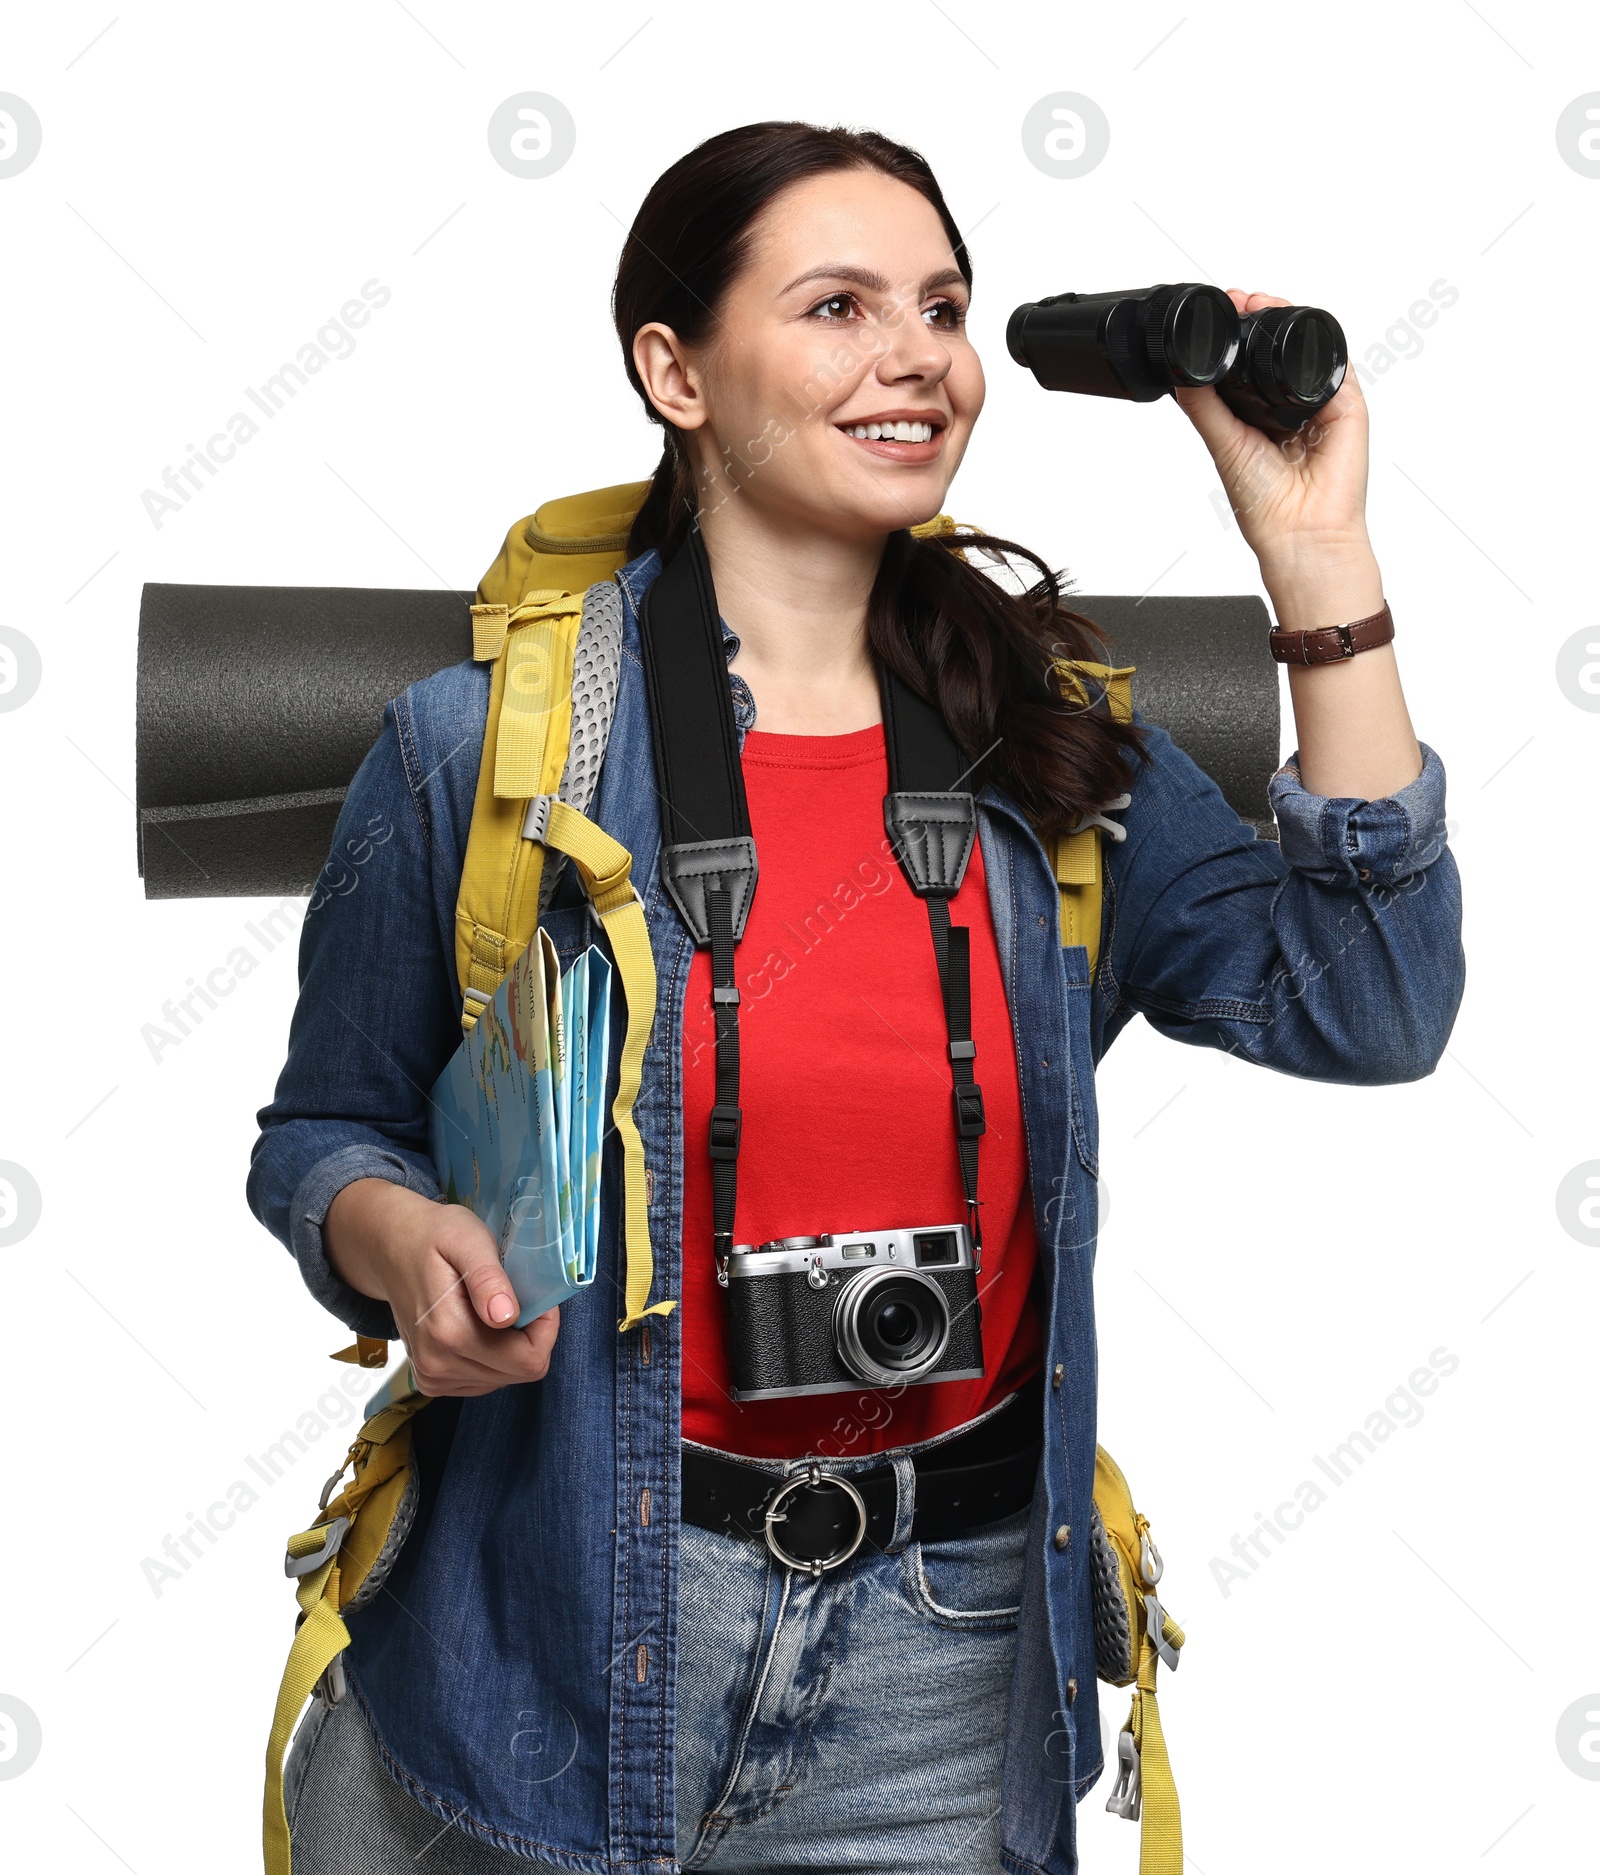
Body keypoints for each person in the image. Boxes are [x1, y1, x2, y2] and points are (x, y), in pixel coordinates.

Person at [248, 120, 1464, 1874]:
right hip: (553, 1638)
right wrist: (392, 1239)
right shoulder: (486, 752)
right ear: (674, 370)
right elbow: (326, 1128)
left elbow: (1372, 1006)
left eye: (943, 306)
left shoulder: (1057, 750)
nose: (917, 358)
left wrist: (1319, 563)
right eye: (837, 306)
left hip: (948, 1671)